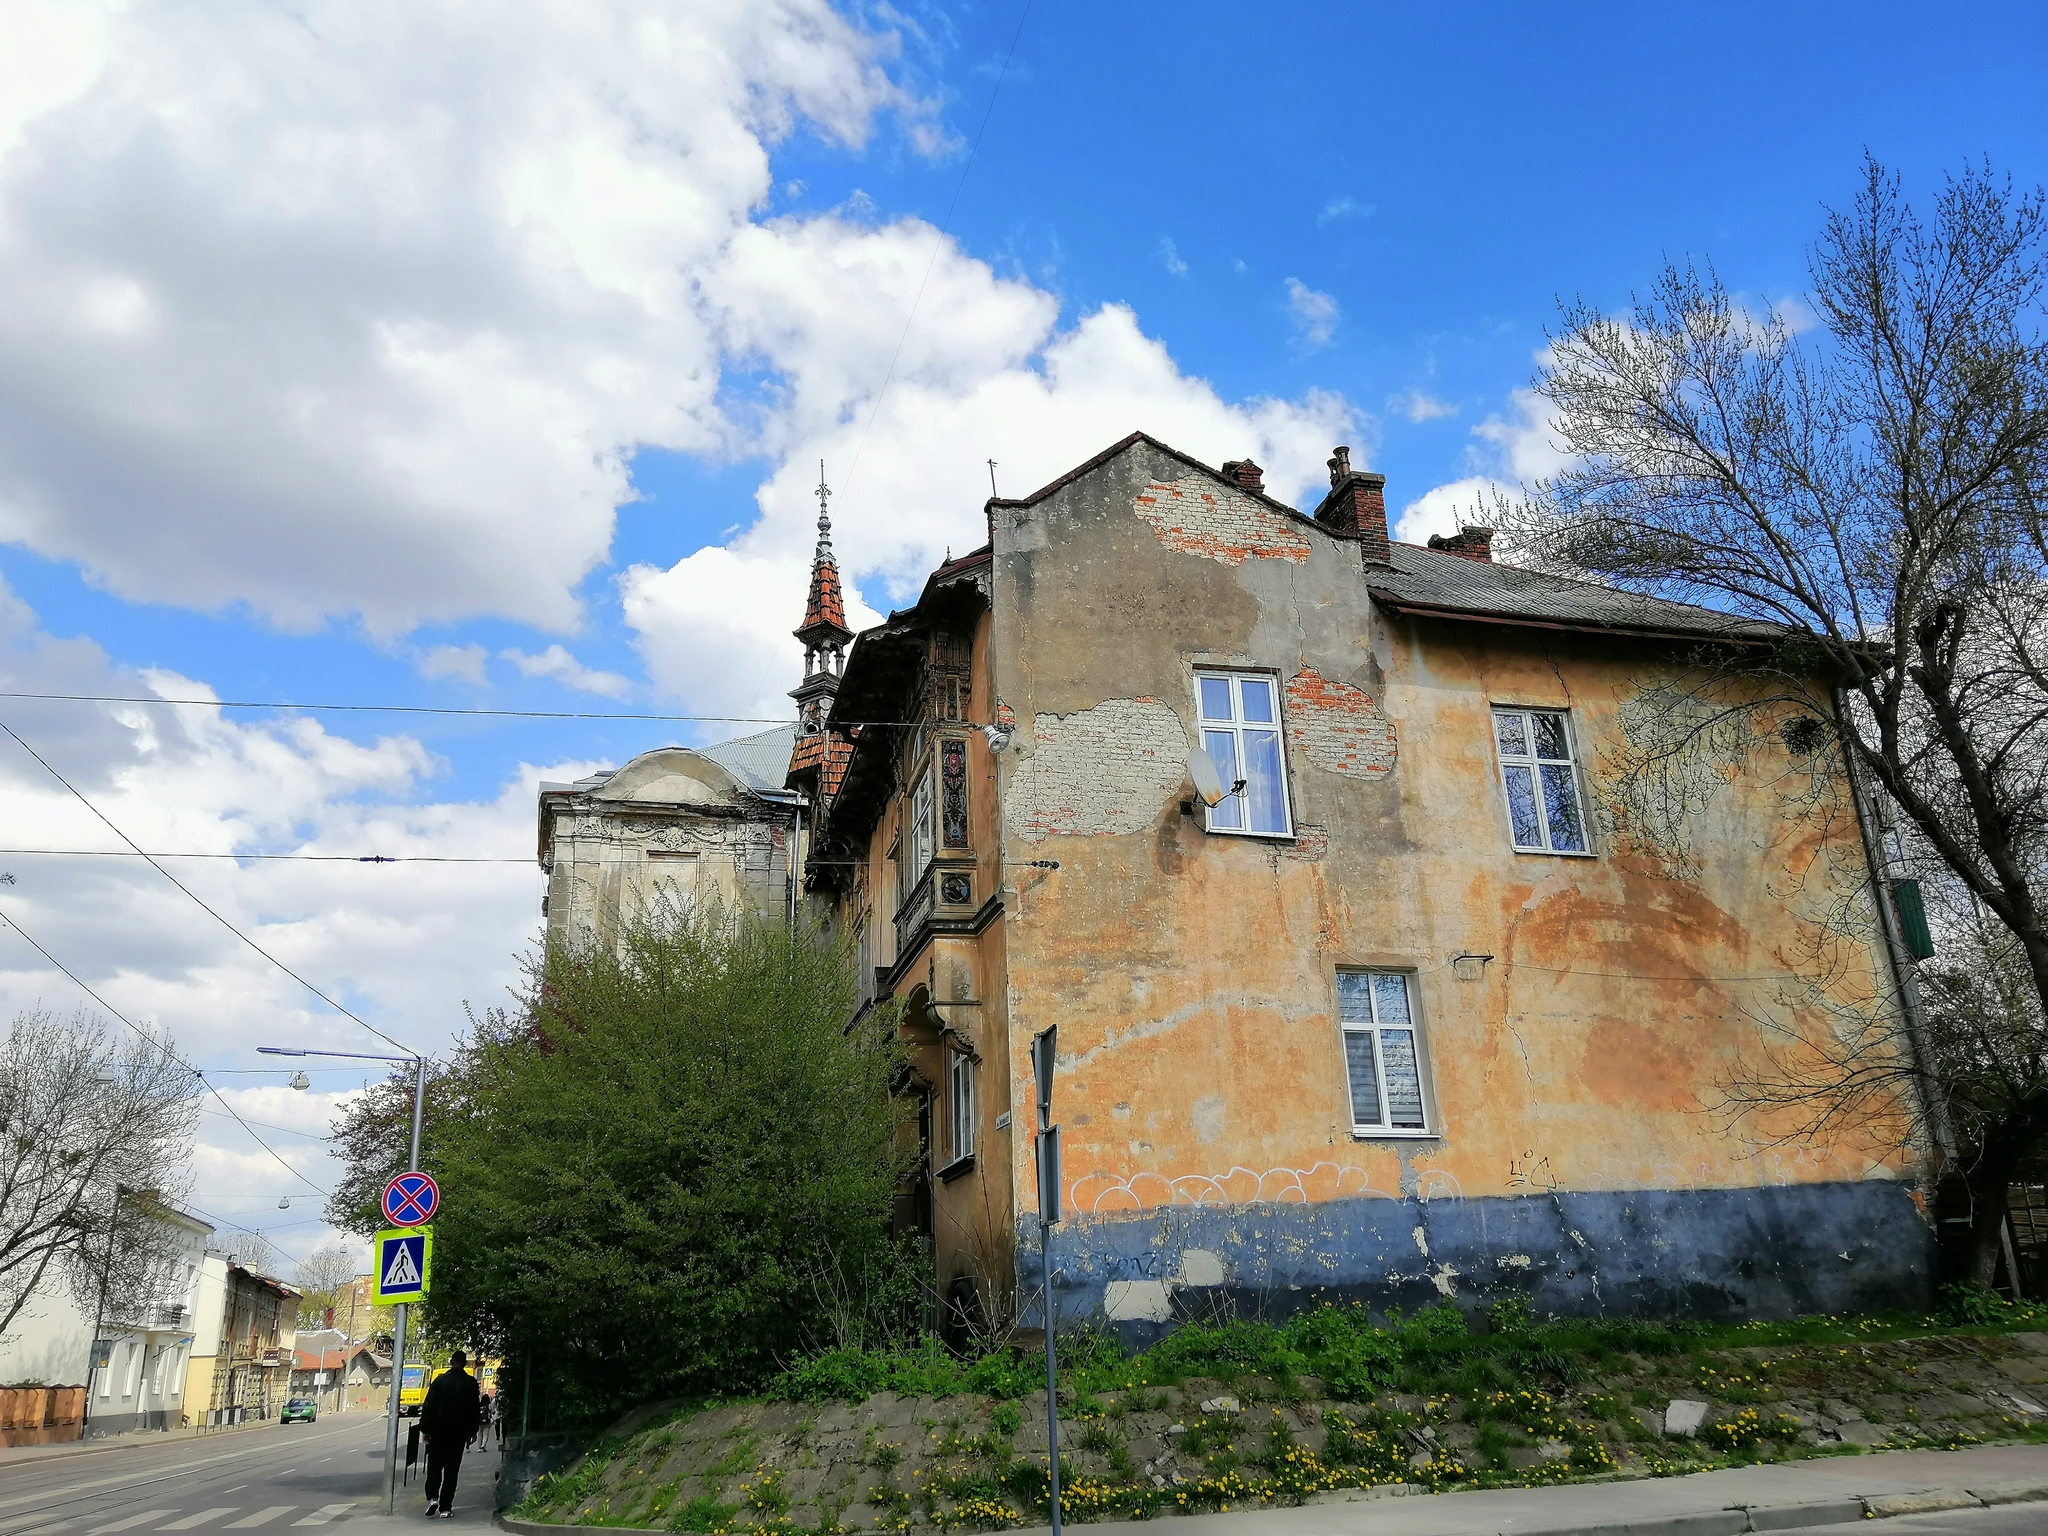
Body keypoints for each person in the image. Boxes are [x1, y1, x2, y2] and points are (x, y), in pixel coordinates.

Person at [419, 1351, 481, 1518]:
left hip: (438, 1432)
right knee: (452, 1470)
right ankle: (445, 1507)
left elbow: (429, 1405)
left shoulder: (439, 1381)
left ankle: (433, 1497)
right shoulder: (470, 1383)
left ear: (451, 1362)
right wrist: (473, 1431)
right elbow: (474, 1409)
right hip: (458, 1433)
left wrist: (425, 1429)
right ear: (465, 1364)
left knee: (435, 1465)